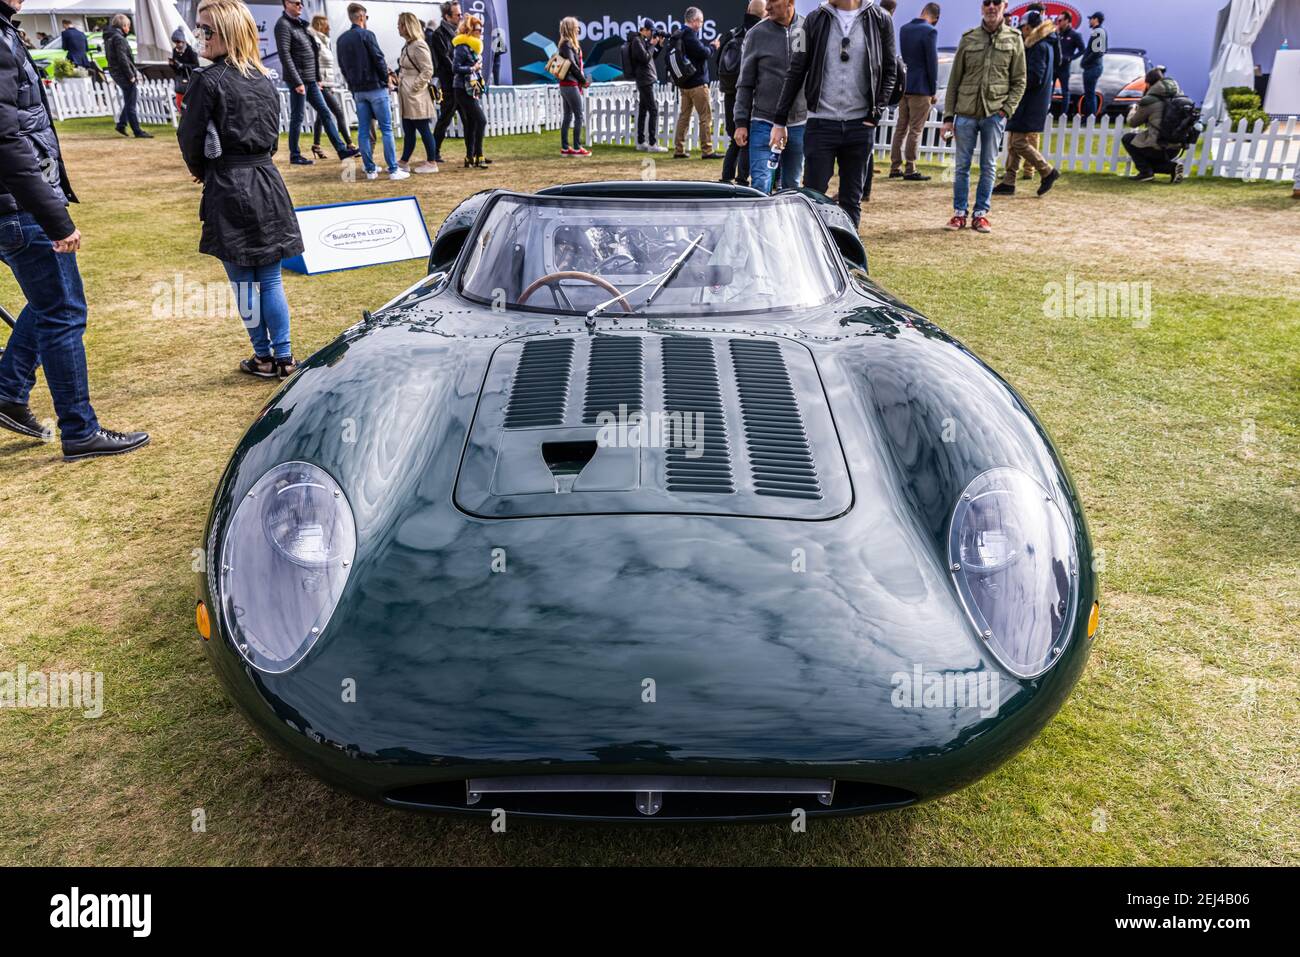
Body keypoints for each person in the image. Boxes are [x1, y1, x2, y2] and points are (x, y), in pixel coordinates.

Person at [0, 0, 148, 459]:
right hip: (20, 204)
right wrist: (55, 217)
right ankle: (80, 429)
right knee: (63, 310)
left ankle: (8, 390)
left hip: (17, 204)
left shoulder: (7, 32)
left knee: (50, 303)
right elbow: (6, 139)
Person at [179, 0, 305, 381]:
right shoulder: (265, 78)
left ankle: (265, 356)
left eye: (206, 30)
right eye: (198, 29)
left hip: (230, 183)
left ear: (228, 34)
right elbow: (273, 138)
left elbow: (190, 138)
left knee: (247, 282)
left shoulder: (208, 81)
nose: (199, 37)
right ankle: (281, 357)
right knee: (268, 278)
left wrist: (204, 170)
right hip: (266, 180)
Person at [769, 0, 897, 228]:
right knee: (813, 197)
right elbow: (796, 70)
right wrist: (780, 120)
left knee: (851, 200)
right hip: (821, 124)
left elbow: (890, 70)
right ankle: (812, 255)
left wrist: (876, 112)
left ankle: (848, 260)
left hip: (860, 125)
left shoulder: (880, 20)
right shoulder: (813, 20)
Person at [940, 0, 1025, 233]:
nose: (991, 7)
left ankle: (981, 214)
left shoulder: (1014, 39)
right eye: (986, 2)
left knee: (988, 166)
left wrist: (1006, 110)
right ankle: (959, 213)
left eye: (996, 2)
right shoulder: (969, 38)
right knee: (961, 167)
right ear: (981, 7)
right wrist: (948, 117)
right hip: (965, 113)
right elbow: (954, 81)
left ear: (1004, 5)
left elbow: (1019, 81)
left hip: (994, 114)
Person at [734, 0, 805, 194]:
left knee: (793, 187)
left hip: (798, 123)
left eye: (773, 1)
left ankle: (787, 225)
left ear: (790, 1)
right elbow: (745, 82)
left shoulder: (807, 29)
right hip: (763, 121)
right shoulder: (756, 34)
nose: (767, 7)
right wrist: (741, 122)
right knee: (760, 186)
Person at [275, 0, 356, 165]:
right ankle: (295, 155)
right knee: (298, 117)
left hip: (311, 79)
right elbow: (285, 54)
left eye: (301, 3)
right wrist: (297, 82)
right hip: (298, 79)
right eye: (296, 3)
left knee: (325, 112)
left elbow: (313, 51)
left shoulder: (302, 25)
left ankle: (341, 150)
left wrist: (318, 78)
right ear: (286, 4)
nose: (300, 6)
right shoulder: (283, 25)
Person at [337, 3, 408, 180]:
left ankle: (370, 170)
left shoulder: (342, 40)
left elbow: (342, 66)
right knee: (386, 129)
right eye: (366, 17)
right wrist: (386, 80)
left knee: (363, 131)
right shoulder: (367, 35)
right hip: (375, 88)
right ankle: (393, 169)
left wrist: (352, 86)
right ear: (361, 16)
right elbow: (378, 58)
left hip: (358, 90)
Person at [994, 8, 1058, 196]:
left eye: (1023, 28)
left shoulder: (1039, 46)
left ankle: (1046, 170)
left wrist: (1015, 84)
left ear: (1029, 28)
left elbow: (1034, 76)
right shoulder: (1045, 44)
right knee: (1014, 141)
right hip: (1030, 100)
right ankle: (1009, 180)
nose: (1021, 31)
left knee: (1019, 142)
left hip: (1029, 101)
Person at [890, 2, 940, 181]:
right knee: (916, 129)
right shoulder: (930, 31)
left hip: (905, 84)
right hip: (921, 87)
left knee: (900, 127)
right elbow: (931, 62)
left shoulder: (904, 29)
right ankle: (910, 167)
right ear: (935, 18)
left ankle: (895, 166)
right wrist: (933, 89)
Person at [719, 1, 764, 185]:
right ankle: (742, 178)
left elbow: (717, 62)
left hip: (730, 92)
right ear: (764, 13)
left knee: (734, 137)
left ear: (747, 11)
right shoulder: (760, 34)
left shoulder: (731, 33)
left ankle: (726, 176)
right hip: (749, 91)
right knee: (747, 135)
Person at [671, 7, 722, 160]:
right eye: (700, 21)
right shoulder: (690, 35)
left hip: (684, 84)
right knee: (705, 117)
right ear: (694, 21)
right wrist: (713, 47)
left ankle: (679, 149)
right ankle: (707, 150)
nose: (701, 24)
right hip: (697, 83)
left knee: (684, 117)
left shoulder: (678, 33)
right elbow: (704, 53)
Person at [1121, 67, 1186, 184]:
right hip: (1176, 147)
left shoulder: (1150, 101)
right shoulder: (1179, 98)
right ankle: (1172, 167)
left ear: (1148, 83)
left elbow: (1133, 122)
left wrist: (1132, 109)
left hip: (1157, 146)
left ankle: (1145, 173)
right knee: (1147, 154)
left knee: (1127, 139)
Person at [396, 11, 438, 172]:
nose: (398, 27)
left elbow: (428, 70)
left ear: (407, 26)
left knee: (422, 128)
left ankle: (431, 162)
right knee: (408, 129)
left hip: (415, 95)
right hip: (407, 94)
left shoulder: (419, 45)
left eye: (400, 24)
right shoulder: (409, 45)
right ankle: (404, 161)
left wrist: (414, 88)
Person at [307, 14, 353, 160]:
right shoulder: (315, 41)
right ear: (321, 25)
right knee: (337, 112)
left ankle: (316, 145)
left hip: (327, 83)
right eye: (327, 24)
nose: (330, 27)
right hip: (320, 83)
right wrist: (317, 80)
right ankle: (349, 144)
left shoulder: (324, 41)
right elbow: (313, 62)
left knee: (322, 114)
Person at [103, 14, 151, 138]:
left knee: (129, 100)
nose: (129, 28)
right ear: (123, 26)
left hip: (116, 73)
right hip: (123, 74)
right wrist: (131, 75)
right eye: (128, 25)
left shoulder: (109, 37)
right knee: (131, 102)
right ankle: (137, 130)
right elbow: (122, 58)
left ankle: (122, 124)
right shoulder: (119, 38)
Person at [452, 14, 488, 168]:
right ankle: (479, 154)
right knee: (481, 120)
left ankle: (469, 157)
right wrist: (473, 68)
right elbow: (455, 68)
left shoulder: (474, 48)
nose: (480, 32)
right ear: (469, 30)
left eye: (481, 29)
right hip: (461, 89)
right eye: (477, 29)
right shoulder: (462, 46)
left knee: (472, 123)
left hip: (471, 88)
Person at [627, 20, 666, 152]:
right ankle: (652, 144)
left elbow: (651, 57)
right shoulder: (637, 41)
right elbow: (644, 58)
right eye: (650, 31)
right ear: (644, 29)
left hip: (645, 79)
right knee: (653, 110)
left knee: (643, 111)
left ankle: (641, 142)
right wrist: (651, 44)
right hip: (644, 80)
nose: (652, 33)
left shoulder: (641, 40)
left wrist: (658, 46)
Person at [430, 2, 461, 164]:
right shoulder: (438, 35)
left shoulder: (459, 32)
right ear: (447, 16)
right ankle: (434, 152)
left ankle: (475, 153)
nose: (460, 17)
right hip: (449, 84)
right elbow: (445, 59)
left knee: (472, 119)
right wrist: (461, 70)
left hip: (460, 82)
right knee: (445, 119)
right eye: (457, 15)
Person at [556, 16, 590, 157]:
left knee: (568, 116)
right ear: (571, 28)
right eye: (576, 26)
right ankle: (577, 147)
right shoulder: (567, 44)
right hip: (570, 84)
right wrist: (583, 80)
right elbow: (572, 64)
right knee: (578, 115)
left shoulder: (566, 44)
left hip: (567, 84)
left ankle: (565, 147)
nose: (578, 29)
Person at [1053, 11, 1084, 116]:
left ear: (1067, 21)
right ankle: (1046, 112)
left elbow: (1082, 50)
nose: (1058, 22)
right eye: (1058, 20)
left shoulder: (1074, 35)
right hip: (1054, 66)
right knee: (1048, 91)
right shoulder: (1057, 33)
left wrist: (1071, 58)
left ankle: (1063, 114)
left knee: (1065, 91)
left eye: (1060, 20)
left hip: (1064, 68)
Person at [1080, 10, 1106, 118]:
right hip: (1093, 67)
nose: (1089, 21)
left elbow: (1097, 51)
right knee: (1089, 94)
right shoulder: (1098, 31)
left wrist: (1085, 61)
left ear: (1095, 19)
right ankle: (1088, 117)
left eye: (1091, 19)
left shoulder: (1098, 32)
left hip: (1093, 67)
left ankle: (1090, 118)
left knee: (1090, 94)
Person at [169, 27, 200, 112]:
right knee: (179, 103)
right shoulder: (175, 51)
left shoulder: (190, 51)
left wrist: (183, 65)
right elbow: (176, 69)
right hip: (180, 81)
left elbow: (196, 65)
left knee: (190, 103)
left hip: (190, 80)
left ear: (183, 41)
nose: (177, 44)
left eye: (178, 42)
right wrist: (173, 65)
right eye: (175, 42)